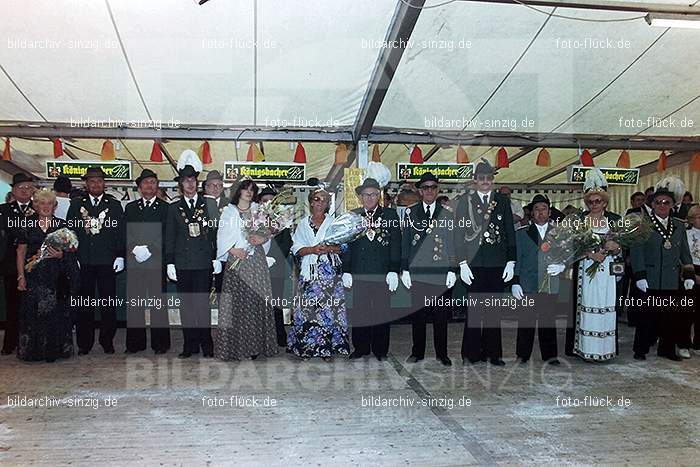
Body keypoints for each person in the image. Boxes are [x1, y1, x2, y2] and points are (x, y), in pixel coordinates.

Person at [453, 161, 516, 366]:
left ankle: (493, 353)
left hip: (496, 264)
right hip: (473, 265)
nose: (485, 182)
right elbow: (459, 235)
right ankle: (470, 354)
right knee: (474, 311)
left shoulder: (502, 201)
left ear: (493, 180)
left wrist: (511, 262)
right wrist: (461, 263)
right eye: (481, 178)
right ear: (475, 181)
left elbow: (509, 233)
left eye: (489, 178)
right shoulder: (465, 201)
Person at [165, 150, 221, 359]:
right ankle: (189, 345)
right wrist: (169, 263)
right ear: (180, 184)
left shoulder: (209, 204)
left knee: (202, 305)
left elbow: (216, 233)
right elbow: (169, 237)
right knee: (186, 306)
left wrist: (217, 257)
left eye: (192, 180)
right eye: (184, 181)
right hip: (182, 263)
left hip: (203, 262)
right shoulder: (173, 208)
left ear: (197, 182)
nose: (189, 184)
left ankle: (207, 344)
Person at [214, 179, 278, 361]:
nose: (249, 192)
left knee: (256, 301)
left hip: (256, 260)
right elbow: (222, 236)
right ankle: (235, 347)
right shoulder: (229, 211)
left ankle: (256, 346)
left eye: (252, 190)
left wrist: (262, 238)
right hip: (237, 259)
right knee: (237, 303)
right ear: (238, 191)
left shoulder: (259, 210)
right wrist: (232, 250)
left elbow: (268, 232)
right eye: (245, 189)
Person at [631, 180, 694, 361]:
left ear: (672, 205)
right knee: (646, 317)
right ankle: (640, 349)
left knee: (670, 318)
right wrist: (640, 275)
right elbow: (637, 251)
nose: (662, 206)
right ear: (652, 205)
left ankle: (666, 349)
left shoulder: (679, 225)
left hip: (670, 278)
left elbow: (684, 252)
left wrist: (688, 273)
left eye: (666, 202)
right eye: (658, 202)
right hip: (649, 278)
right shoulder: (643, 224)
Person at [66, 167, 125, 355]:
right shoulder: (76, 205)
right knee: (85, 304)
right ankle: (85, 343)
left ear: (104, 183)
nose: (96, 184)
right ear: (86, 184)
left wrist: (121, 255)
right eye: (92, 181)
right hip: (85, 261)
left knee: (108, 303)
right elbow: (70, 234)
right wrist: (72, 257)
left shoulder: (114, 205)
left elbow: (120, 233)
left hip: (107, 261)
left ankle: (107, 341)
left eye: (99, 181)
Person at [342, 178, 401, 361]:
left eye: (374, 194)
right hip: (360, 272)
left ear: (379, 196)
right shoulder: (353, 215)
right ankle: (360, 348)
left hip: (382, 273)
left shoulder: (390, 215)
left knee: (381, 313)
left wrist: (394, 269)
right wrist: (346, 270)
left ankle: (380, 350)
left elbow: (396, 244)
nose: (369, 198)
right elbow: (347, 244)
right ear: (360, 197)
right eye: (366, 194)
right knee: (360, 313)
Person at [16, 189, 79, 362]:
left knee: (56, 313)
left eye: (49, 203)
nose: (45, 206)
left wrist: (61, 255)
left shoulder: (63, 227)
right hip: (33, 276)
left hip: (56, 277)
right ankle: (34, 352)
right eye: (41, 203)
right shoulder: (26, 224)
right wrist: (21, 276)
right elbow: (21, 252)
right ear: (35, 205)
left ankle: (55, 351)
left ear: (55, 206)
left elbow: (72, 253)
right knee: (33, 314)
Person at [401, 172, 456, 366]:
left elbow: (452, 243)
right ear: (420, 191)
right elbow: (405, 243)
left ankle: (442, 353)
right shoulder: (410, 213)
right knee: (418, 316)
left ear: (438, 189)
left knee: (441, 317)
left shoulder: (447, 213)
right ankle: (417, 352)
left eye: (433, 187)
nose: (429, 191)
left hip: (440, 273)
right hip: (418, 273)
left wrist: (452, 269)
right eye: (425, 188)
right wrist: (404, 269)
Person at [288, 188, 350, 360]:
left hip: (329, 275)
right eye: (317, 199)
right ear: (311, 202)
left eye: (324, 200)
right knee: (308, 312)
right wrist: (312, 250)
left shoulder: (334, 223)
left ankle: (327, 349)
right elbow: (295, 249)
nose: (320, 202)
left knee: (328, 312)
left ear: (328, 204)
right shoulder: (302, 224)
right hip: (309, 276)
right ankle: (307, 348)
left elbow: (344, 247)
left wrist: (328, 249)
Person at [566, 169, 621, 362]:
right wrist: (590, 254)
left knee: (606, 307)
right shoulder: (579, 221)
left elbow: (622, 247)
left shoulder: (614, 221)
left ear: (605, 202)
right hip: (586, 272)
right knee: (586, 308)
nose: (594, 204)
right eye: (591, 201)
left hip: (607, 273)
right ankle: (585, 349)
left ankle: (605, 349)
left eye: (598, 201)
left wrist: (615, 247)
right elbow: (570, 249)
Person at [124, 169, 170, 354]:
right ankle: (135, 344)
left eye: (152, 182)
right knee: (135, 303)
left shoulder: (166, 208)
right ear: (139, 187)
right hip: (135, 262)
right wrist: (134, 248)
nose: (149, 186)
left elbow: (167, 234)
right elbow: (125, 232)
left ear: (157, 185)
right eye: (145, 183)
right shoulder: (131, 208)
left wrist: (151, 249)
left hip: (156, 262)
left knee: (158, 304)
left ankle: (160, 344)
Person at [512, 194, 561, 365]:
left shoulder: (558, 233)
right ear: (531, 213)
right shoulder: (522, 233)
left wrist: (563, 266)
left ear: (549, 211)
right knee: (526, 322)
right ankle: (523, 355)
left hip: (549, 283)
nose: (540, 212)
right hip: (528, 283)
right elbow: (517, 259)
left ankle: (550, 356)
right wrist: (515, 282)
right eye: (537, 209)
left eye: (544, 209)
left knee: (548, 321)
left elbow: (566, 255)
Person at [0, 173, 35, 355]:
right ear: (13, 190)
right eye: (21, 187)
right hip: (10, 264)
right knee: (12, 305)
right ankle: (9, 343)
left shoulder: (39, 210)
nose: (25, 190)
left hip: (33, 263)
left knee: (31, 307)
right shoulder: (4, 210)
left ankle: (27, 343)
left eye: (29, 187)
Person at [257, 186, 292, 347]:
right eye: (265, 201)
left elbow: (287, 244)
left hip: (276, 269)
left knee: (276, 304)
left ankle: (279, 335)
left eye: (271, 201)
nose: (268, 204)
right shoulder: (253, 220)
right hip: (256, 270)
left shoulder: (282, 223)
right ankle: (260, 337)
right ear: (259, 203)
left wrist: (273, 258)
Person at [203, 170, 228, 299]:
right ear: (205, 187)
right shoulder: (199, 204)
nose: (215, 188)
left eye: (219, 185)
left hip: (225, 255)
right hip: (203, 255)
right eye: (212, 185)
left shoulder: (230, 205)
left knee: (224, 293)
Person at [685, 205, 700, 354]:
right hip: (690, 271)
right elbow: (682, 257)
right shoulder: (686, 234)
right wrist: (693, 275)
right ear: (691, 219)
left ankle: (698, 343)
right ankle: (685, 343)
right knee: (688, 310)